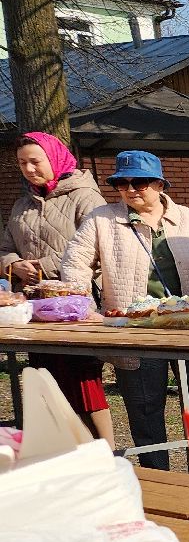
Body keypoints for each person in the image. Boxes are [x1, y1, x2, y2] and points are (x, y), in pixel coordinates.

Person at [60, 150, 189, 477]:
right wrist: (85, 307)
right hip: (135, 331)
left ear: (159, 183)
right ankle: (159, 480)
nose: (130, 189)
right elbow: (74, 264)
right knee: (144, 409)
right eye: (121, 183)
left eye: (138, 181)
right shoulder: (102, 219)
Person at [1, 132, 110, 438]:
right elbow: (5, 247)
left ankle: (104, 450)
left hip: (76, 305)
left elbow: (96, 246)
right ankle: (68, 449)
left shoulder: (85, 197)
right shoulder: (22, 204)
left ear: (54, 158)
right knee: (47, 380)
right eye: (22, 163)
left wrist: (39, 266)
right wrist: (13, 265)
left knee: (84, 382)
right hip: (35, 307)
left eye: (35, 161)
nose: (29, 169)